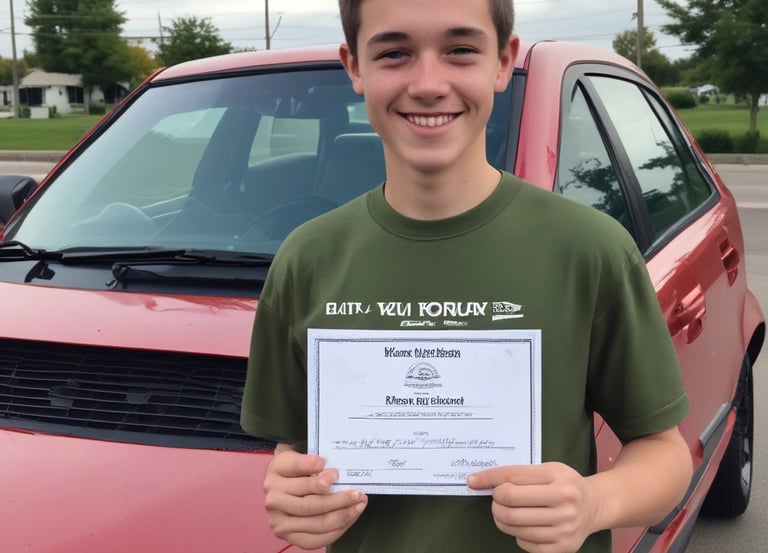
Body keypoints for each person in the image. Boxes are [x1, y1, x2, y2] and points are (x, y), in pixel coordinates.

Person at [240, 0, 693, 551]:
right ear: (354, 66)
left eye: (460, 50)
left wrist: (595, 501)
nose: (429, 85)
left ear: (502, 61)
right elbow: (295, 450)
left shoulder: (588, 250)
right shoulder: (307, 260)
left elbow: (666, 454)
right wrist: (294, 494)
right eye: (394, 53)